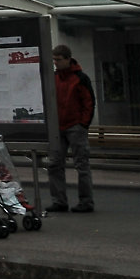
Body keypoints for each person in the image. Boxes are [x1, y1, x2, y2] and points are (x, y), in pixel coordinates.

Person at [47, 45, 95, 213]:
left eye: (58, 60)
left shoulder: (80, 78)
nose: (56, 63)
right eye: (54, 60)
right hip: (60, 126)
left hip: (74, 126)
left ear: (68, 59)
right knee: (55, 164)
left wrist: (83, 124)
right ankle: (59, 200)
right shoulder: (54, 77)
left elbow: (89, 103)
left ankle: (85, 201)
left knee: (81, 164)